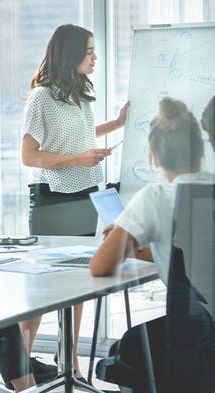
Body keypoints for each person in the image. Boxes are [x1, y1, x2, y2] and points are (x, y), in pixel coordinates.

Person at [19, 24, 130, 381]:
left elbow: (79, 136)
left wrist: (116, 124)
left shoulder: (80, 95)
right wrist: (77, 160)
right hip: (53, 200)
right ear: (70, 54)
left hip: (85, 196)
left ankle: (71, 364)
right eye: (89, 52)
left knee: (78, 284)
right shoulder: (41, 97)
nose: (95, 57)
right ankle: (19, 367)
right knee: (43, 288)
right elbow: (29, 156)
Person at [89, 97, 214, 391]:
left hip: (196, 331)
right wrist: (140, 249)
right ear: (200, 148)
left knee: (128, 351)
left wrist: (122, 242)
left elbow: (100, 266)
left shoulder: (156, 196)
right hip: (206, 326)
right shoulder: (209, 188)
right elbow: (191, 256)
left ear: (154, 155)